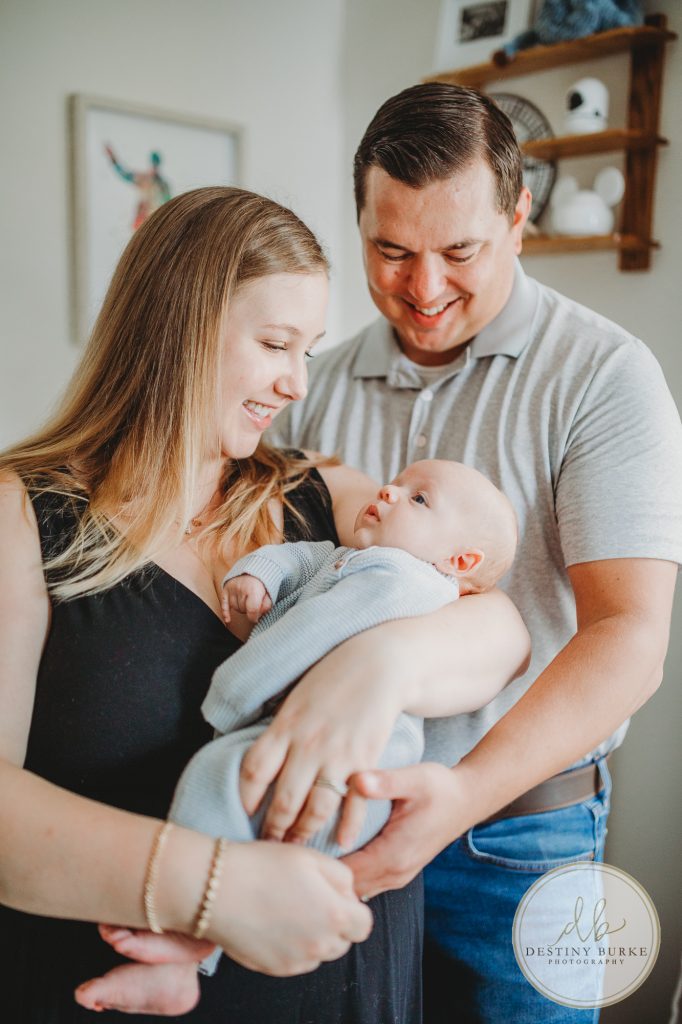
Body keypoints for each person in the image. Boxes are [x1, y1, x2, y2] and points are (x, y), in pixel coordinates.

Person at [0, 184, 529, 1023]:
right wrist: (213, 891)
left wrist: (382, 665)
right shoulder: (22, 514)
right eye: (277, 343)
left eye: (309, 350)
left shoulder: (323, 493)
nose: (295, 383)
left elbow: (495, 621)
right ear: (176, 330)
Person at [267, 84, 682, 1022]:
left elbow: (630, 637)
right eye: (391, 251)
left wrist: (460, 794)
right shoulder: (310, 384)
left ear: (519, 218)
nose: (423, 289)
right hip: (333, 820)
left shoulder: (604, 379)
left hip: (522, 835)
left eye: (460, 251)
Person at [74, 458, 518, 1016]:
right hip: (310, 757)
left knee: (217, 777)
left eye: (420, 500)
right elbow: (299, 558)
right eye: (398, 482)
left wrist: (234, 694)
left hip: (346, 771)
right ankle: (186, 956)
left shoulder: (404, 583)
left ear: (460, 562)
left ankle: (186, 947)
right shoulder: (352, 559)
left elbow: (310, 635)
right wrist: (257, 575)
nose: (390, 490)